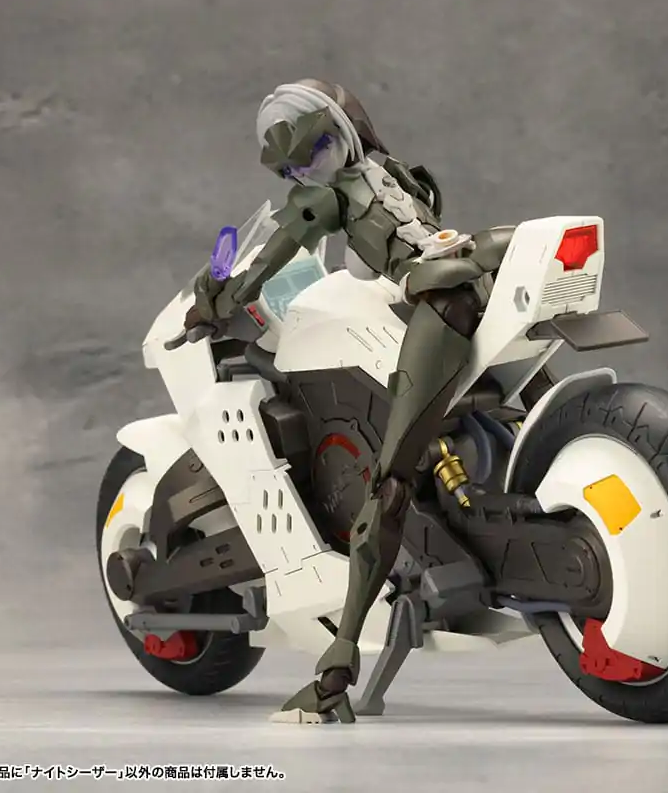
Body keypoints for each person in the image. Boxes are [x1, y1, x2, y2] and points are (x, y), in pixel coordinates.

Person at [184, 79, 513, 724]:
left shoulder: (327, 197)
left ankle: (334, 674)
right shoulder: (397, 173)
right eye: (298, 167)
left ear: (342, 134)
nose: (312, 171)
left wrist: (216, 301)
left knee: (390, 485)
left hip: (440, 301)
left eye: (317, 152)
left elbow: (271, 257)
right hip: (476, 275)